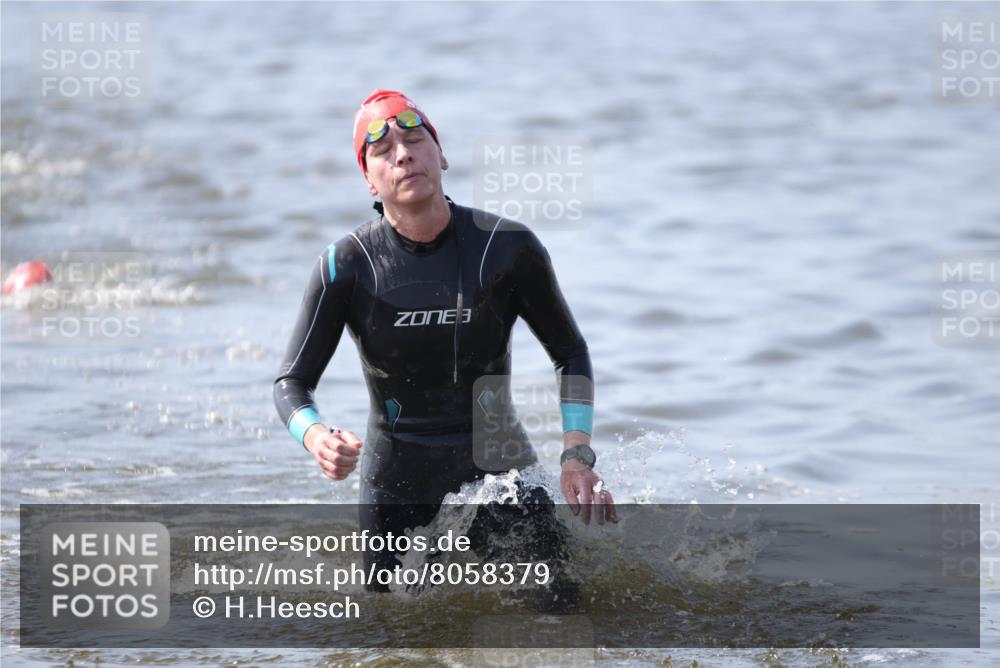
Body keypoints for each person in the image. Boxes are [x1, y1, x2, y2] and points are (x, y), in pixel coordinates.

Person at [273, 89, 616, 595]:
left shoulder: (507, 248)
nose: (403, 155)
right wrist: (317, 437)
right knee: (391, 629)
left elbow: (570, 354)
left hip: (500, 473)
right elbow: (291, 383)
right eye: (383, 151)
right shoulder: (345, 266)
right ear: (368, 179)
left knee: (564, 608)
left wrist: (576, 455)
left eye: (415, 140)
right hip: (396, 485)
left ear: (442, 155)